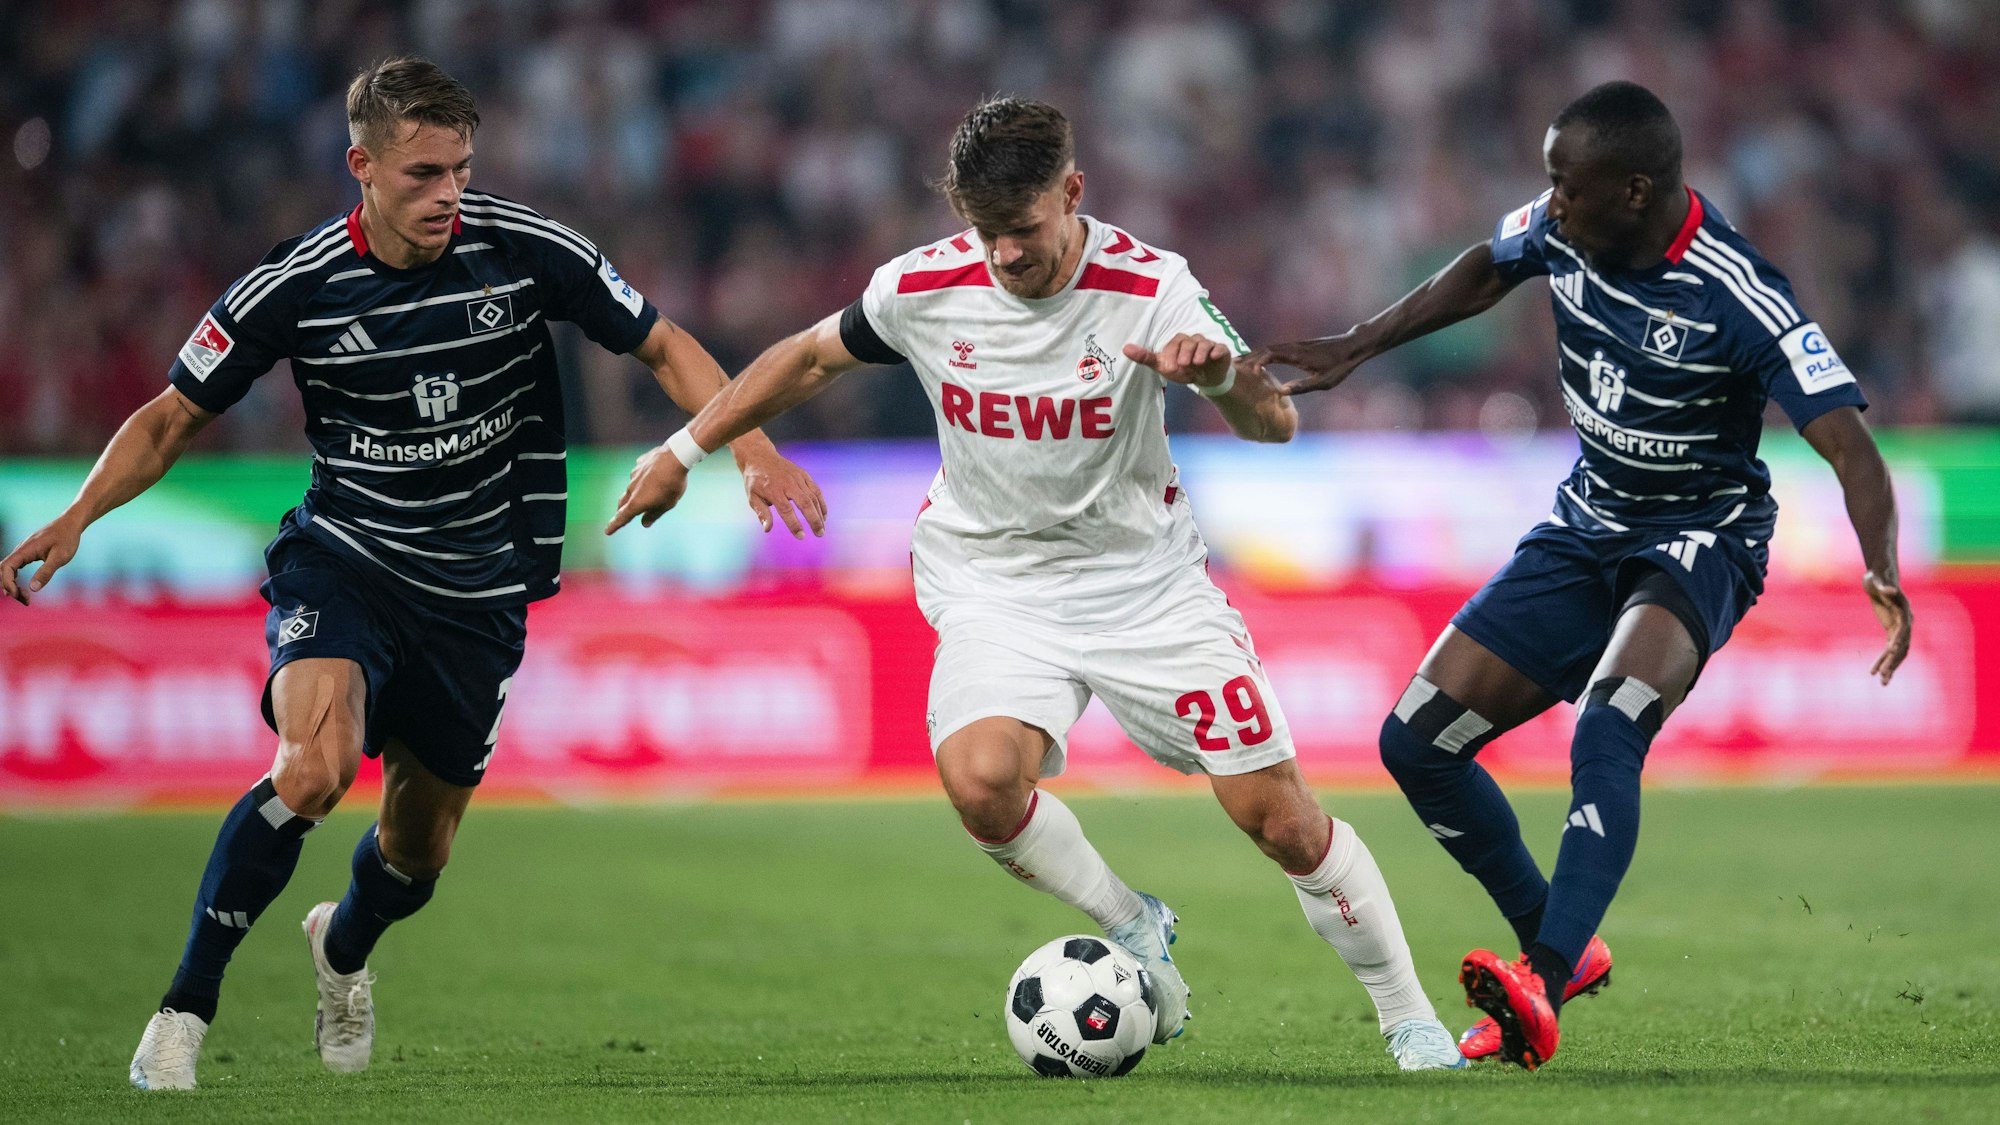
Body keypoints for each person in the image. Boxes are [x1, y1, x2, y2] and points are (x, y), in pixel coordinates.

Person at [0, 56, 824, 1090]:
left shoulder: (525, 250)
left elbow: (662, 343)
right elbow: (171, 417)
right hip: (345, 561)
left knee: (416, 854)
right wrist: (79, 514)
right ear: (362, 168)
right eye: (422, 174)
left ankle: (341, 948)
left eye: (460, 172)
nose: (446, 195)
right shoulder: (294, 285)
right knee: (311, 769)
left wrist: (746, 450)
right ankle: (183, 1012)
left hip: (477, 595)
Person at [607, 96, 1469, 1071]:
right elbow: (806, 360)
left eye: (1022, 230)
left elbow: (1275, 424)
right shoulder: (921, 286)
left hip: (1144, 584)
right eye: (987, 233)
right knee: (978, 784)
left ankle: (1407, 1018)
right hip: (993, 579)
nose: (1006, 256)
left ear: (1072, 192)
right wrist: (687, 446)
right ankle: (1130, 922)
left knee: (1275, 817)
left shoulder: (1152, 286)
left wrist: (1220, 377)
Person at [1245, 81, 1914, 1070]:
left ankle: (1543, 981)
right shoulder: (1563, 227)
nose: (1549, 201)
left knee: (1608, 725)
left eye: (1567, 185)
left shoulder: (1735, 292)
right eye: (1548, 181)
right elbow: (1481, 267)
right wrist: (1356, 346)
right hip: (1584, 520)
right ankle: (1558, 939)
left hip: (1699, 537)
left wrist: (1882, 569)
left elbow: (1848, 446)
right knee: (1414, 742)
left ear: (1633, 190)